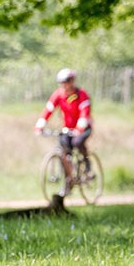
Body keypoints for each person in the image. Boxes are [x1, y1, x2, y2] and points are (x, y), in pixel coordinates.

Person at [34, 68, 93, 196]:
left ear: (72, 81)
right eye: (62, 82)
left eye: (66, 81)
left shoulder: (81, 95)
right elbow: (48, 110)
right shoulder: (59, 95)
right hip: (67, 129)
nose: (64, 85)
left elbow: (84, 112)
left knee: (77, 142)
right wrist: (40, 125)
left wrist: (79, 128)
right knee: (64, 153)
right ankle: (68, 180)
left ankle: (87, 166)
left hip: (83, 127)